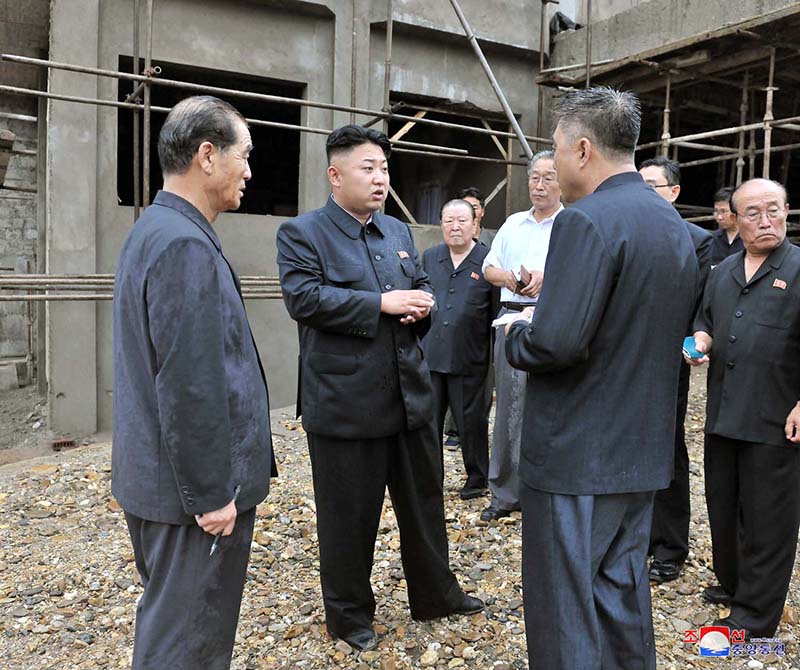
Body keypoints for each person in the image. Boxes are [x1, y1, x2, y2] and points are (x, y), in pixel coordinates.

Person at [505, 87, 697, 669]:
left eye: (557, 149)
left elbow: (557, 342)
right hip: (641, 447)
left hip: (577, 453)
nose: (554, 162)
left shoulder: (585, 221)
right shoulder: (669, 221)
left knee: (564, 605)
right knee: (620, 592)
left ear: (583, 149)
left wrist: (516, 335)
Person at [276, 124, 483, 652]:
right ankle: (349, 617)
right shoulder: (303, 233)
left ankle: (436, 595)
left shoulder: (396, 232)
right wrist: (380, 304)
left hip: (410, 394)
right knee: (349, 516)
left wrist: (421, 305)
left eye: (384, 169)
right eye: (367, 168)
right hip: (346, 403)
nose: (379, 178)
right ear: (335, 174)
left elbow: (420, 284)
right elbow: (304, 299)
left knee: (424, 504)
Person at [112, 96, 276, 670]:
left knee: (175, 627)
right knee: (186, 644)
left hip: (162, 481)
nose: (249, 171)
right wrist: (211, 494)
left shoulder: (157, 229)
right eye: (244, 154)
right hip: (190, 498)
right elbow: (190, 381)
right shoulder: (183, 243)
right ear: (207, 156)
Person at [687, 178, 800, 639]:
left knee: (769, 518)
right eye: (752, 212)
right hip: (724, 411)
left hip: (777, 416)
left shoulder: (798, 268)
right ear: (735, 218)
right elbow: (706, 321)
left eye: (773, 209)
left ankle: (755, 618)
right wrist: (700, 341)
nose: (765, 220)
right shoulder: (723, 271)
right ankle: (735, 584)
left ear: (787, 211)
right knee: (723, 504)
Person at [638, 156, 712, 584]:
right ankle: (636, 537)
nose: (644, 193)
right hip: (623, 358)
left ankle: (669, 545)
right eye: (640, 185)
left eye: (653, 186)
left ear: (674, 192)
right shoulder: (626, 231)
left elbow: (695, 302)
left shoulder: (697, 241)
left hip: (666, 359)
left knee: (667, 447)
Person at [479, 149, 563, 521]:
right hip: (510, 320)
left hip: (551, 319)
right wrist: (510, 279)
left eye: (548, 177)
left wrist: (548, 279)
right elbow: (489, 267)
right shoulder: (513, 223)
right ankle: (503, 491)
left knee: (548, 406)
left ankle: (542, 490)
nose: (539, 185)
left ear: (562, 182)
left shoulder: (570, 224)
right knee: (509, 407)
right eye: (534, 177)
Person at [421, 199, 499, 500]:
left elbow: (495, 311)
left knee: (472, 422)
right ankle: (431, 479)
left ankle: (477, 478)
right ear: (441, 224)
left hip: (470, 356)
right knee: (428, 422)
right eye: (449, 221)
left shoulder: (488, 260)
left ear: (474, 224)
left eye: (462, 221)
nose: (455, 227)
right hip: (431, 354)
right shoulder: (430, 257)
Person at [710, 186, 743, 266]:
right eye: (716, 211)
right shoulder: (712, 239)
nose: (719, 217)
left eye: (723, 211)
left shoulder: (749, 239)